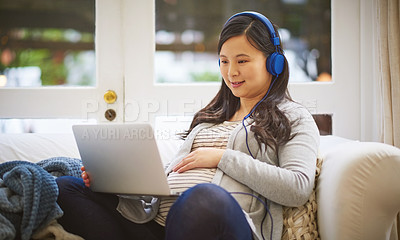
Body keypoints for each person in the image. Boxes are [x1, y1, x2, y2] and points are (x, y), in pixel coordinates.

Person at [56, 11, 319, 240]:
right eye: (224, 61)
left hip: (221, 222)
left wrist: (222, 158)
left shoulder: (293, 117)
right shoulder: (211, 116)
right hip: (156, 224)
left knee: (202, 197)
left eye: (242, 61)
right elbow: (171, 180)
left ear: (274, 63)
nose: (231, 72)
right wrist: (116, 182)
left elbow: (297, 187)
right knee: (66, 188)